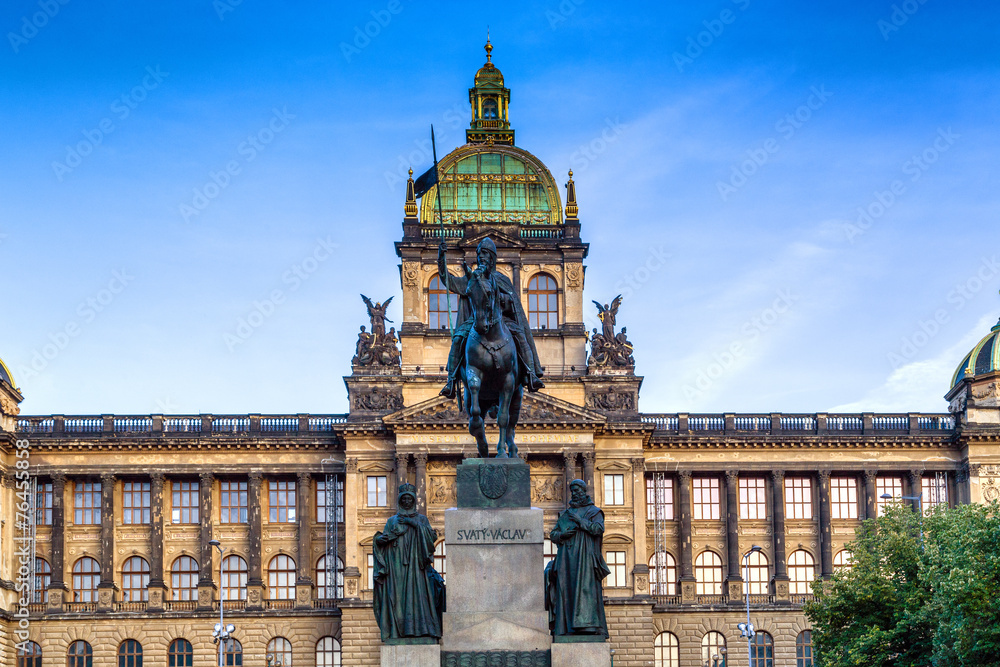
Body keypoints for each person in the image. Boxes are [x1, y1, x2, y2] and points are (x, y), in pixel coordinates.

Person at [437, 238, 544, 398]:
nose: (481, 257)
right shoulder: (472, 278)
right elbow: (449, 281)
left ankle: (531, 373)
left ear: (492, 257)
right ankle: (451, 380)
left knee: (521, 336)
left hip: (501, 320)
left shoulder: (502, 279)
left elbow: (512, 302)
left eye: (485, 253)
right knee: (458, 338)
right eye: (479, 254)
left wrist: (501, 298)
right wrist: (441, 259)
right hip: (475, 321)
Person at [372, 484, 445, 642]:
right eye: (404, 498)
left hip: (416, 566)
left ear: (413, 501)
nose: (406, 501)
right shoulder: (392, 521)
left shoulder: (421, 519)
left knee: (419, 597)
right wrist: (380, 540)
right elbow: (383, 541)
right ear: (400, 500)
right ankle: (398, 631)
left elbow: (431, 537)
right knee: (398, 598)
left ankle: (421, 630)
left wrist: (412, 523)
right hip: (396, 566)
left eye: (409, 499)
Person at [545, 479, 610, 639]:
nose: (574, 493)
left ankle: (587, 626)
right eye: (572, 491)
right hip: (566, 560)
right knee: (566, 591)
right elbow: (553, 534)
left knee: (585, 591)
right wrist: (562, 535)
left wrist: (580, 522)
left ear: (583, 491)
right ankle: (565, 627)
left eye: (577, 490)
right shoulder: (566, 514)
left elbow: (598, 529)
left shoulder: (594, 512)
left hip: (585, 559)